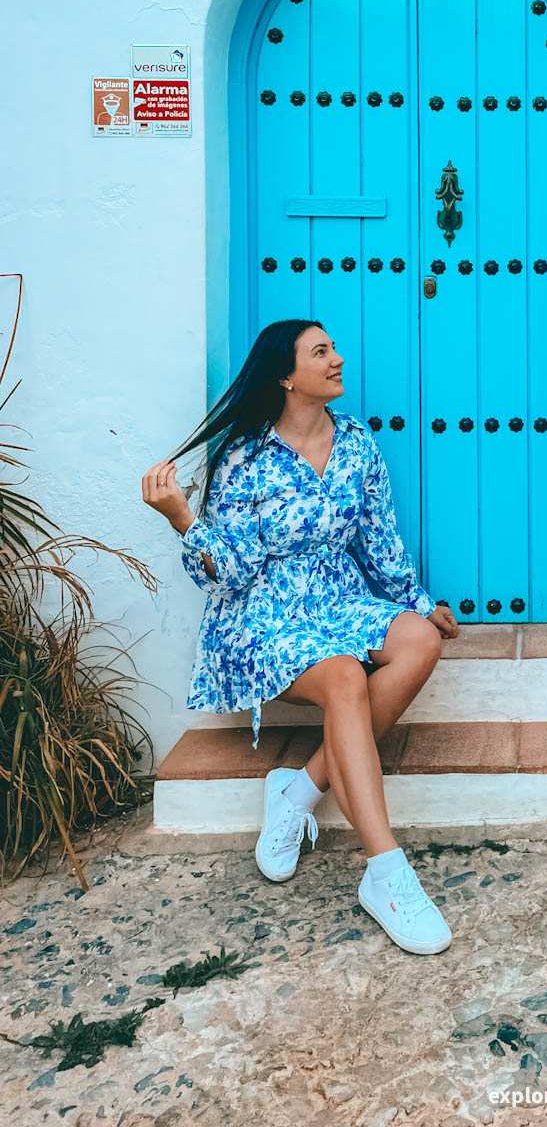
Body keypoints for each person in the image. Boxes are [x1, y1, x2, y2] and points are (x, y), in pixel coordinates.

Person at [140, 318, 459, 955]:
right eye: (322, 352)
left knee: (420, 641)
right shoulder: (245, 457)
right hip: (263, 613)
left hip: (338, 600)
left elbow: (379, 545)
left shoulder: (360, 445)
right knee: (344, 674)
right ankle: (386, 874)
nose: (338, 359)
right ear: (287, 376)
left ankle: (301, 788)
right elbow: (227, 573)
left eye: (334, 348)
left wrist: (422, 605)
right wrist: (183, 519)